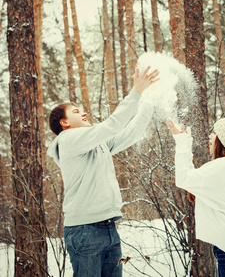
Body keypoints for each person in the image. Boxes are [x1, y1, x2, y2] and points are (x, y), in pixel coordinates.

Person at [47, 66, 159, 277]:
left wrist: (149, 99)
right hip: (84, 231)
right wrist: (136, 91)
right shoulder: (68, 140)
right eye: (76, 111)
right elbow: (112, 126)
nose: (83, 112)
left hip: (108, 227)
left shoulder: (95, 144)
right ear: (65, 123)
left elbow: (131, 133)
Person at [167, 113, 225, 277]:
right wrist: (184, 143)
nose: (210, 136)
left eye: (214, 132)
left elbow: (184, 178)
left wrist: (182, 143)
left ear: (224, 139)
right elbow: (190, 180)